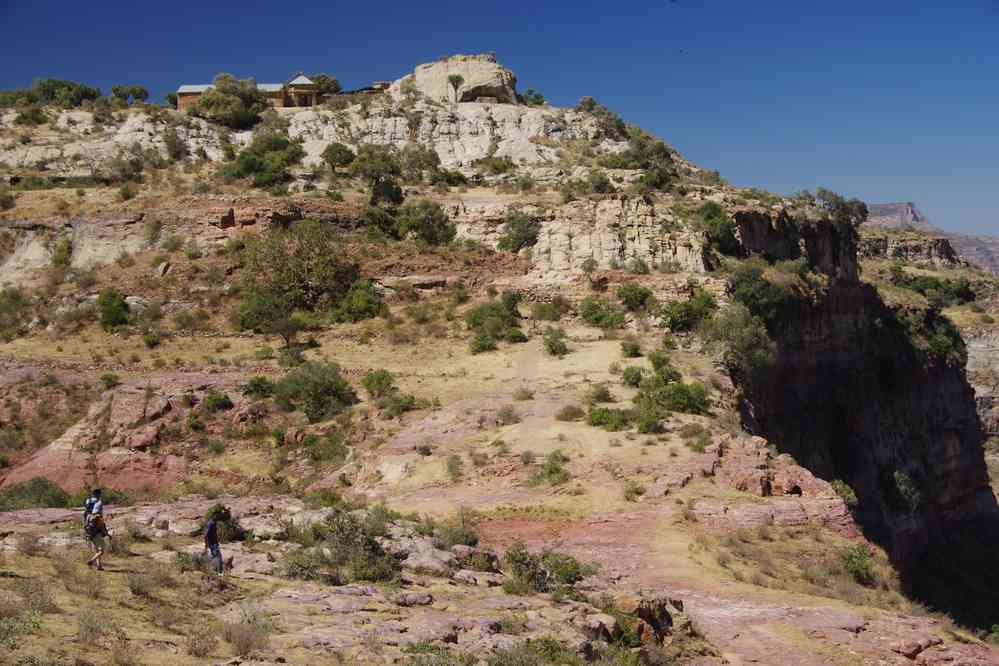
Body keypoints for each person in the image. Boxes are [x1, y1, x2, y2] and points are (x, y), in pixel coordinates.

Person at [84, 490, 108, 571]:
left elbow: (86, 512)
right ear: (98, 494)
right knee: (102, 550)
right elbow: (99, 518)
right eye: (100, 494)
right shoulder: (99, 502)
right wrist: (105, 531)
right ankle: (91, 561)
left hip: (88, 527)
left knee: (97, 550)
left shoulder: (88, 501)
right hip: (96, 529)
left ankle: (99, 566)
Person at [204, 506, 225, 576]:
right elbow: (205, 534)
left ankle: (214, 571)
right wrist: (207, 545)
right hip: (212, 544)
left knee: (215, 557)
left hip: (214, 543)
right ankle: (220, 573)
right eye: (217, 515)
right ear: (214, 515)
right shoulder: (211, 523)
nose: (218, 517)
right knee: (218, 557)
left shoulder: (214, 522)